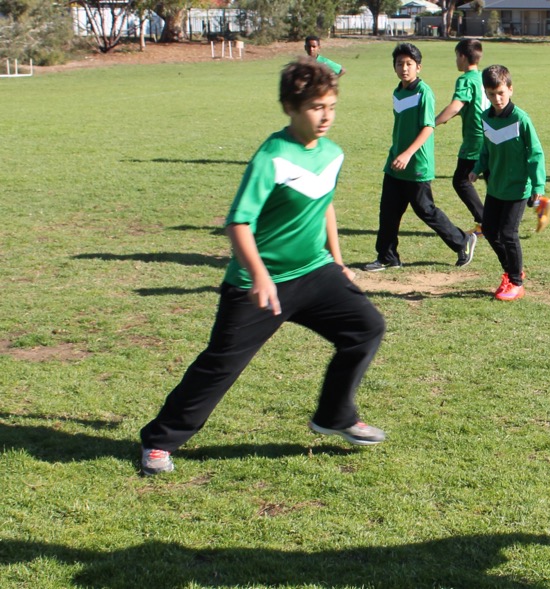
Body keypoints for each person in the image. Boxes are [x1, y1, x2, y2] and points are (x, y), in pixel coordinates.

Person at [140, 58, 387, 476]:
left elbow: (324, 204)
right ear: (291, 108)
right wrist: (258, 275)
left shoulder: (333, 153)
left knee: (366, 328)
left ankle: (334, 416)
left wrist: (339, 262)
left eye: (331, 106)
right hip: (260, 284)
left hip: (315, 272)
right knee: (220, 365)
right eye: (315, 107)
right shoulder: (271, 156)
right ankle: (160, 441)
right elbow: (238, 221)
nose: (326, 116)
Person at [365, 43, 477, 272]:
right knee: (388, 210)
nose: (404, 68)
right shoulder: (398, 91)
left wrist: (407, 154)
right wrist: (398, 153)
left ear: (418, 67)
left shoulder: (424, 92)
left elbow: (428, 127)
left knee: (425, 210)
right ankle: (388, 257)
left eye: (409, 64)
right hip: (395, 162)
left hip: (416, 163)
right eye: (399, 64)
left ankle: (462, 240)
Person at [468, 65, 549, 301]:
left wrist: (538, 187)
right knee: (491, 231)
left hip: (517, 187)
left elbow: (536, 154)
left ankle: (516, 281)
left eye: (501, 93)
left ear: (510, 89)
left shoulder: (521, 119)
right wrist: (477, 169)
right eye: (492, 94)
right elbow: (487, 148)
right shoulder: (486, 117)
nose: (497, 98)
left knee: (508, 233)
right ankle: (511, 271)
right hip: (496, 186)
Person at [434, 39, 487, 237]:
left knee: (461, 181)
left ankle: (485, 222)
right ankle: (536, 201)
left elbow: (457, 105)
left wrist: (433, 122)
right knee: (495, 179)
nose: (456, 60)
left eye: (457, 56)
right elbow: (470, 105)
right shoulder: (482, 77)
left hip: (475, 140)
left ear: (463, 57)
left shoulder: (465, 79)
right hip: (490, 135)